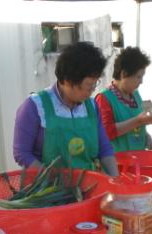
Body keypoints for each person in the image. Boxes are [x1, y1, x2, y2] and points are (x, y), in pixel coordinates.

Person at [13, 41, 119, 176]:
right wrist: (53, 180)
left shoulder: (92, 106)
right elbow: (22, 153)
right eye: (89, 85)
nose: (93, 90)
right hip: (47, 191)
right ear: (68, 81)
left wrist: (116, 181)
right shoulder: (35, 106)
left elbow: (104, 149)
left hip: (87, 187)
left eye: (95, 83)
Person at [95, 46, 152, 152]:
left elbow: (135, 127)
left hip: (139, 161)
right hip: (118, 164)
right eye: (138, 77)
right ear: (124, 74)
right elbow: (106, 132)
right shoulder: (104, 98)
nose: (141, 81)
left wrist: (145, 135)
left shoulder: (136, 95)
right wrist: (138, 121)